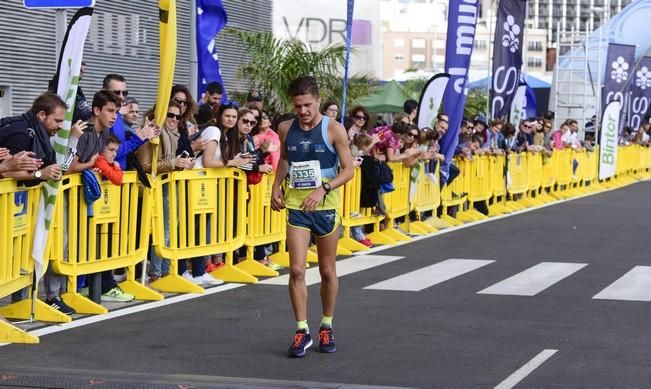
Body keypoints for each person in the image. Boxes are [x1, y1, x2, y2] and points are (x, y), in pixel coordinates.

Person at [271, 76, 354, 358]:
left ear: (318, 101)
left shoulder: (334, 129)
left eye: (307, 105)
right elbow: (285, 158)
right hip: (296, 207)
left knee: (327, 270)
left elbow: (349, 169)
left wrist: (323, 189)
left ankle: (326, 325)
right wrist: (275, 186)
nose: (303, 111)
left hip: (326, 208)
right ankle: (301, 330)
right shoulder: (285, 128)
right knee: (296, 270)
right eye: (298, 106)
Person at [0, 92, 83, 314]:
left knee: (19, 256)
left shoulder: (39, 133)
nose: (59, 126)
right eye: (57, 121)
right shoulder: (20, 133)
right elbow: (11, 173)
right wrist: (40, 174)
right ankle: (18, 303)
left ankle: (22, 302)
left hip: (19, 208)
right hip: (9, 207)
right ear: (41, 115)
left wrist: (72, 141)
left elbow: (54, 168)